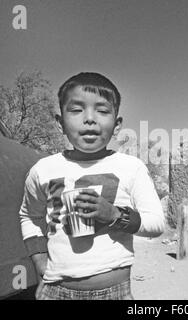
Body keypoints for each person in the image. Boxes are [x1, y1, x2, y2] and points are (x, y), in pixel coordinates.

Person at [19, 72, 165, 300]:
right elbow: (29, 216)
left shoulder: (131, 167)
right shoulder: (43, 169)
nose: (90, 119)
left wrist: (115, 215)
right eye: (76, 110)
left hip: (114, 292)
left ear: (117, 125)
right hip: (55, 290)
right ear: (60, 123)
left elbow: (156, 223)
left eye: (103, 111)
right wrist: (38, 258)